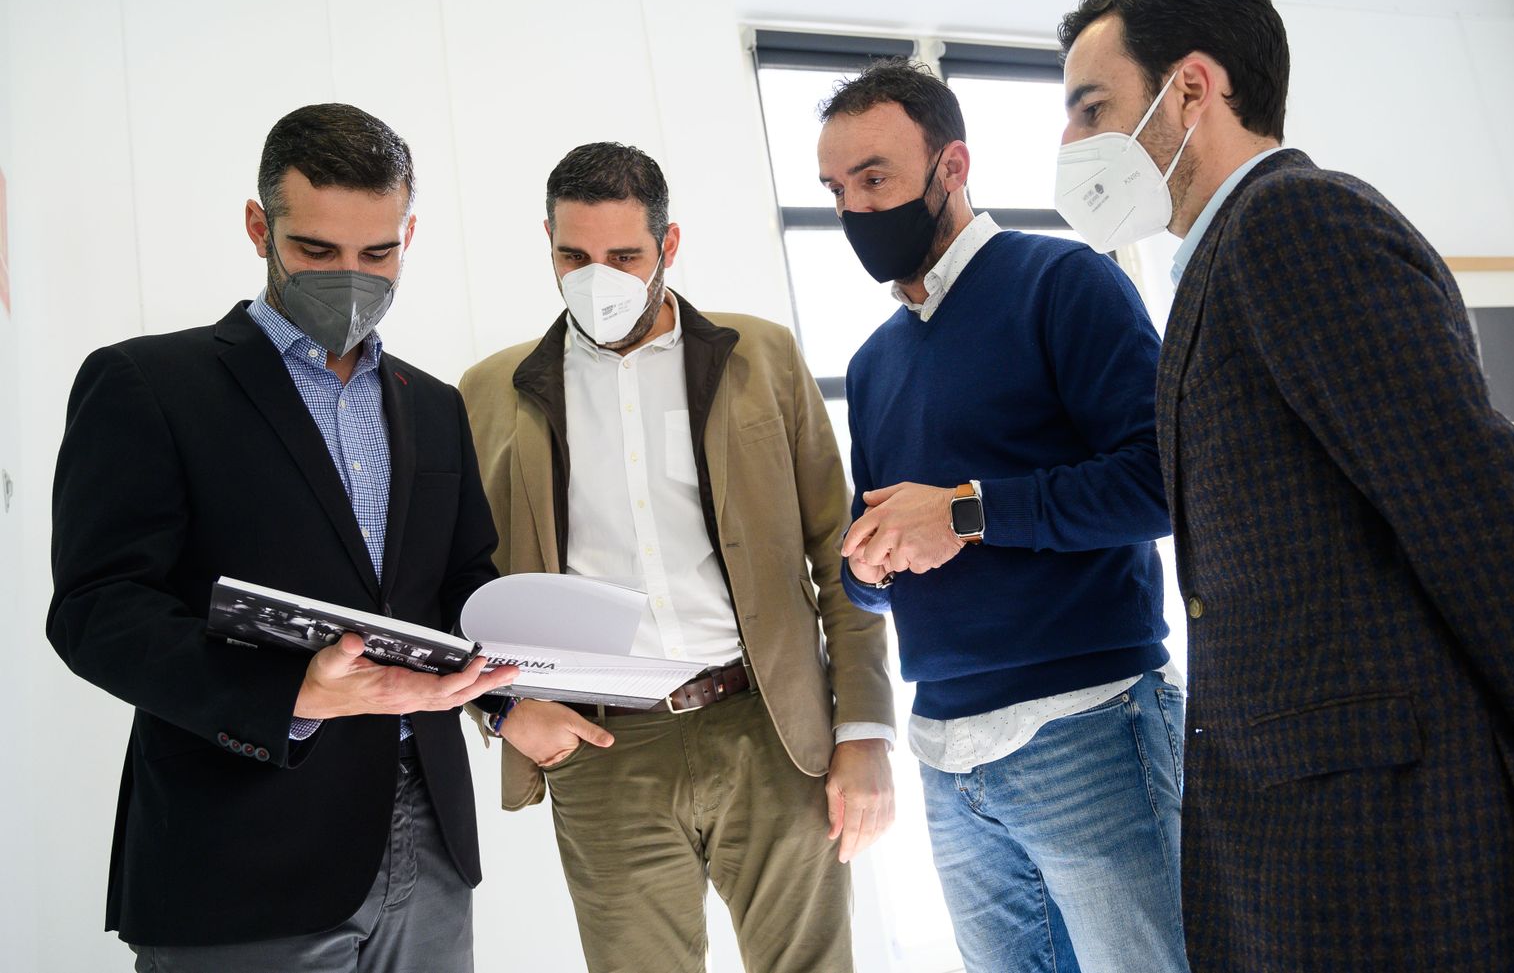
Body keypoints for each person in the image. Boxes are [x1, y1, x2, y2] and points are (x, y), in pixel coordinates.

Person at [1056, 0, 1514, 971]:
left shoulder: (1292, 226)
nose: (1071, 145)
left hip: (1400, 843)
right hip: (1314, 833)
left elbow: (1484, 521)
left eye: (1092, 108)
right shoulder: (1220, 264)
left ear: (1190, 88)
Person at [46, 103, 517, 972]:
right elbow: (95, 611)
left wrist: (516, 691)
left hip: (431, 840)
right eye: (316, 251)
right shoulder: (146, 384)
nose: (351, 275)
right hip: (239, 849)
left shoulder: (433, 404)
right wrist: (292, 692)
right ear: (260, 226)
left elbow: (459, 587)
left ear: (408, 233)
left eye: (379, 253)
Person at [458, 141, 895, 973]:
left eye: (624, 255)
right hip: (603, 749)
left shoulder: (762, 357)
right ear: (546, 244)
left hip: (771, 729)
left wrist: (865, 727)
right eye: (573, 256)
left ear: (671, 243)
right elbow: (455, 582)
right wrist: (505, 709)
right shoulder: (488, 391)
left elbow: (845, 556)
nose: (599, 277)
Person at [818, 58, 1187, 973]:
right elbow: (899, 569)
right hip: (946, 755)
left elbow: (1162, 480)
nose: (856, 208)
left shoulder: (1067, 282)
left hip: (1089, 732)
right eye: (835, 189)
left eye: (875, 177)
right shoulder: (872, 364)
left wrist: (969, 512)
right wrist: (866, 570)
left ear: (952, 166)